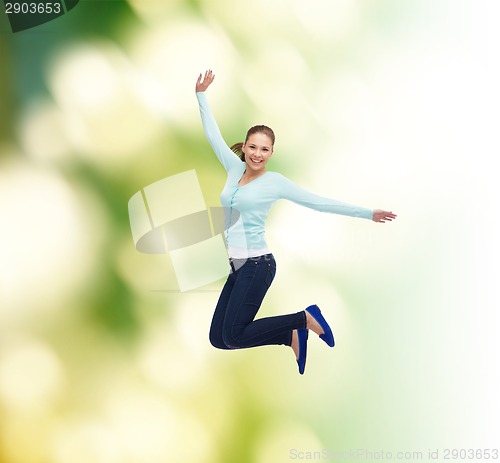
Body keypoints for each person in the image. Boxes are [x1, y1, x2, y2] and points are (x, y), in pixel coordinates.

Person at [195, 70, 396, 375]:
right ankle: (289, 336)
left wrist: (368, 212)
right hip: (237, 269)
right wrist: (201, 95)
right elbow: (213, 136)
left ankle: (303, 318)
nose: (257, 154)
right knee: (219, 339)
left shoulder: (275, 182)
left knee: (234, 334)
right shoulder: (233, 169)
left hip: (257, 266)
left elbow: (318, 203)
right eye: (253, 147)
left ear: (271, 153)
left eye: (264, 149)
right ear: (245, 147)